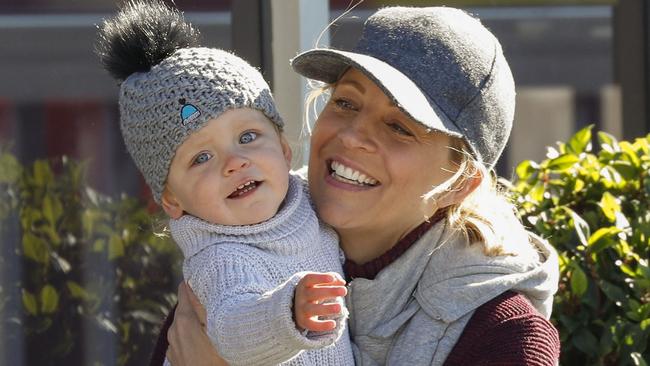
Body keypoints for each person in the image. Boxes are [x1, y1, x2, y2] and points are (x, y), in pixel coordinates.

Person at [154, 6, 562, 366]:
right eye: (346, 102)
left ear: (459, 184)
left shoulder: (505, 337)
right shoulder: (235, 268)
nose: (351, 136)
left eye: (399, 127)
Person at [95, 1, 355, 365]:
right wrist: (288, 313)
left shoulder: (313, 200)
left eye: (247, 136)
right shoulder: (222, 257)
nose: (234, 163)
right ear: (172, 200)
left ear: (282, 148)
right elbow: (233, 328)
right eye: (201, 158)